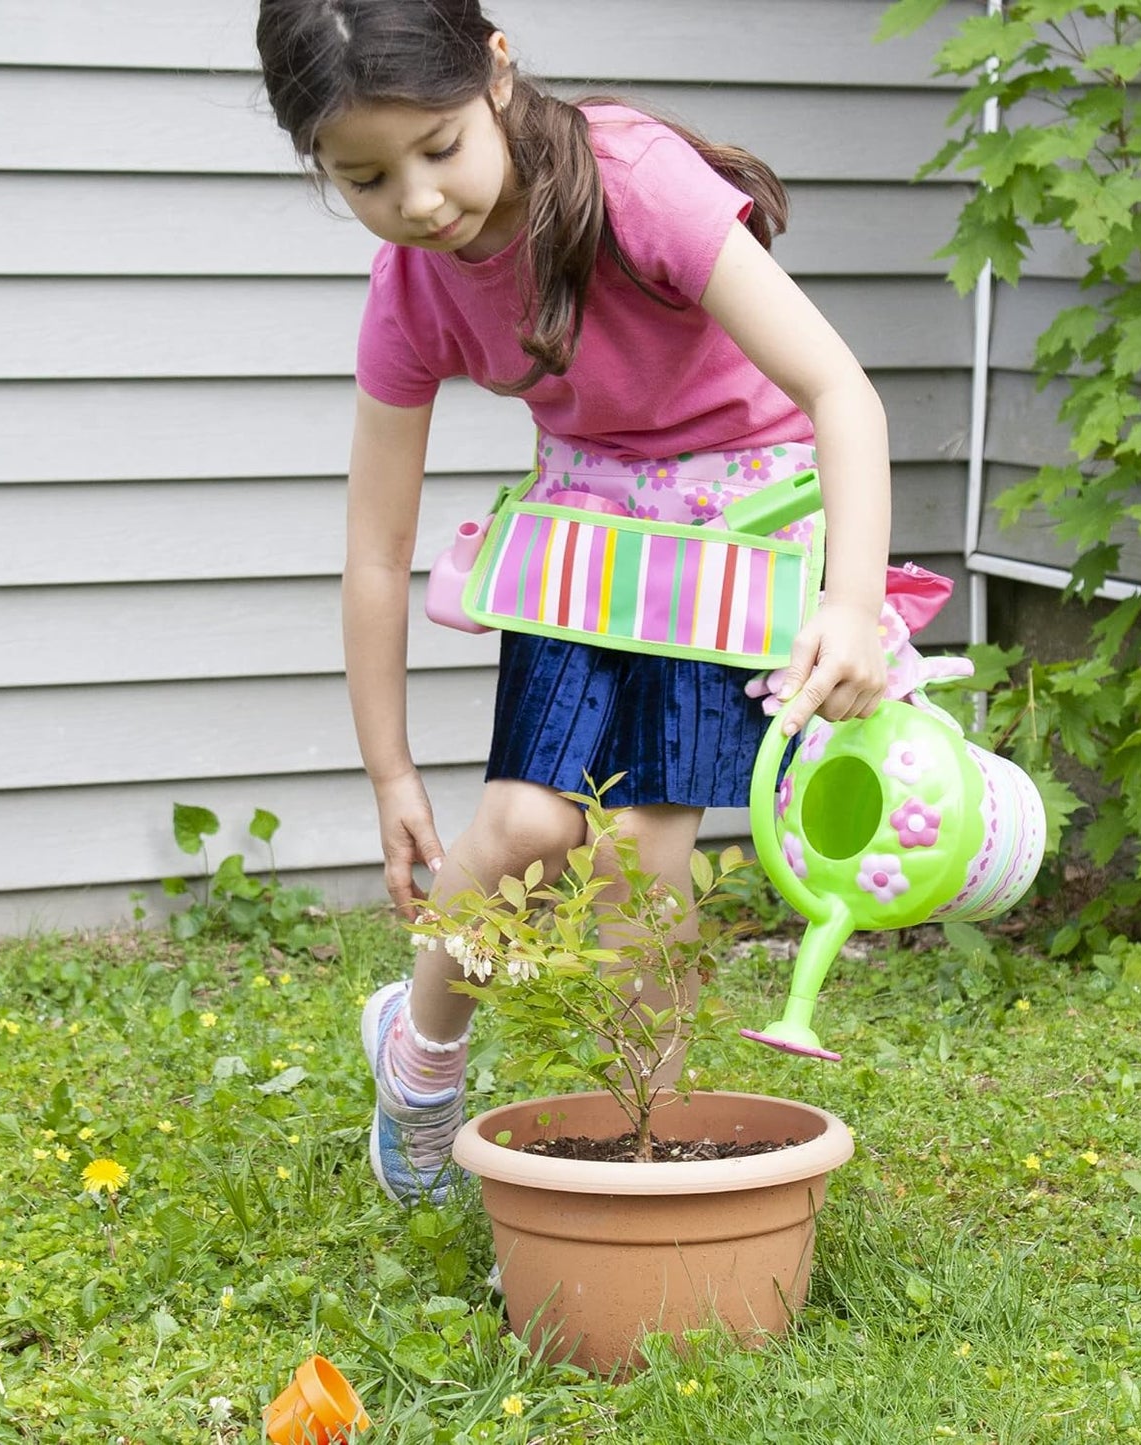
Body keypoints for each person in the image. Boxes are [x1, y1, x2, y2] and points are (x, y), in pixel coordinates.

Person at [256, 0, 892, 1203]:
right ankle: (420, 1057)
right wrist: (391, 775)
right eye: (366, 178)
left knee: (643, 872)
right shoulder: (412, 289)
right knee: (525, 829)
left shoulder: (631, 180)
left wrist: (849, 601)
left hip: (733, 547)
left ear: (494, 70)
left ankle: (640, 1143)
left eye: (437, 148)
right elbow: (376, 550)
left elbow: (836, 389)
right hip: (589, 542)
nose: (420, 200)